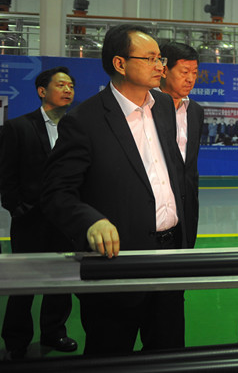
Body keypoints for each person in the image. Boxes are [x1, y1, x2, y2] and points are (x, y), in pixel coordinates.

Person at [39, 24, 192, 355]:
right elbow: (56, 192)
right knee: (110, 355)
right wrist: (90, 221)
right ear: (120, 63)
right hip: (117, 263)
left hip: (169, 259)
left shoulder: (164, 106)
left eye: (161, 58)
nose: (160, 66)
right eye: (150, 58)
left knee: (169, 355)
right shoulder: (85, 120)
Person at [0, 67, 78, 359]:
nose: (68, 90)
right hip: (30, 219)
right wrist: (17, 208)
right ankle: (16, 340)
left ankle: (54, 332)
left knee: (61, 281)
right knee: (24, 284)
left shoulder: (76, 127)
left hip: (66, 219)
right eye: (61, 85)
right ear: (42, 91)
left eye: (71, 86)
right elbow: (6, 174)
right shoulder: (19, 127)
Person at [159, 41, 203, 248]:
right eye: (184, 72)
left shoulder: (195, 111)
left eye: (194, 73)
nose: (190, 79)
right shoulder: (146, 108)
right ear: (164, 70)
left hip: (187, 206)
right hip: (157, 205)